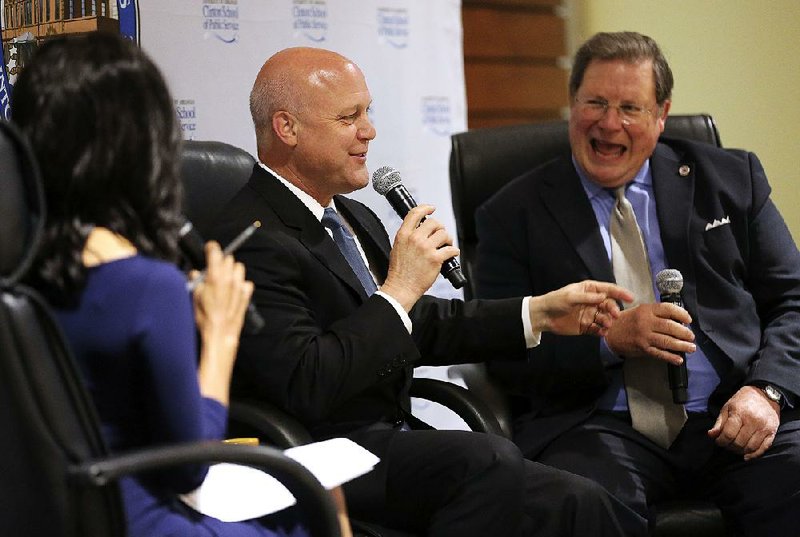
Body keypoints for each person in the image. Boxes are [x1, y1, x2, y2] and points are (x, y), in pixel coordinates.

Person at [209, 46, 641, 537]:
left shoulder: (352, 214)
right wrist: (399, 289)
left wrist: (536, 314)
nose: (369, 131)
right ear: (288, 129)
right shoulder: (251, 238)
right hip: (317, 452)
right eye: (349, 118)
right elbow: (306, 382)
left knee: (584, 502)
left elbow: (416, 324)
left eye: (367, 112)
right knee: (486, 459)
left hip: (391, 443)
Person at [474, 31, 800, 536]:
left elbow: (792, 299)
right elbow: (501, 349)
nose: (609, 123)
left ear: (661, 115)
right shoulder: (511, 213)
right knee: (581, 501)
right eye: (596, 103)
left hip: (736, 411)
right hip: (600, 425)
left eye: (630, 107)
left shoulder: (732, 179)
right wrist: (607, 342)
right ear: (572, 104)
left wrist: (769, 391)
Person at [10, 33, 321, 537]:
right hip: (140, 519)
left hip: (46, 517)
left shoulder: (22, 269)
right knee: (323, 506)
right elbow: (188, 463)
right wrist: (220, 331)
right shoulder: (146, 286)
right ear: (144, 148)